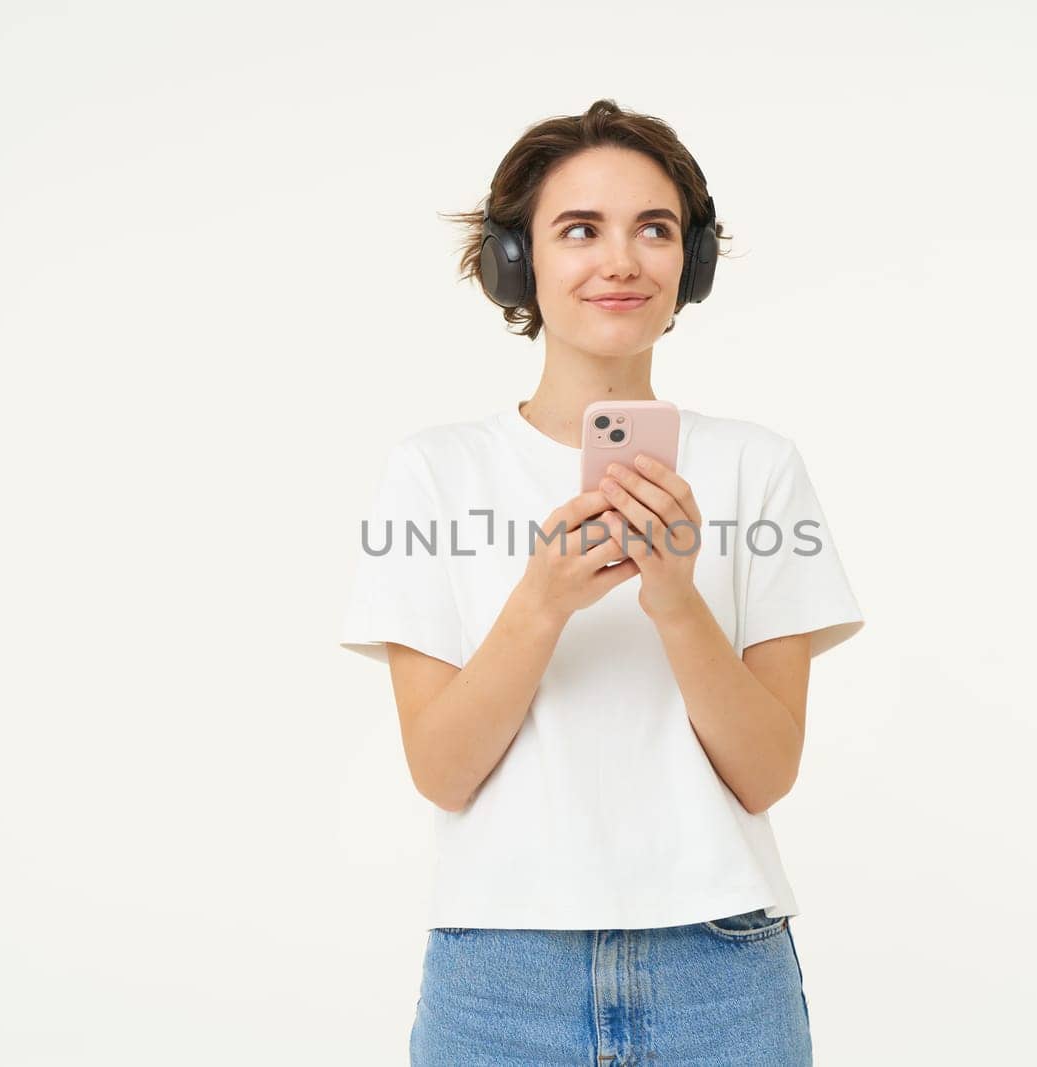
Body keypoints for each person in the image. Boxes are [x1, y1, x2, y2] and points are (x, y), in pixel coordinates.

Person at [339, 98, 865, 1066]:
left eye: (654, 229)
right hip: (499, 971)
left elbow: (764, 771)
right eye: (579, 229)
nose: (620, 260)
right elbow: (442, 771)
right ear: (516, 261)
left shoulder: (758, 465)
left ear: (690, 264)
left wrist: (674, 597)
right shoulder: (433, 471)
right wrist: (542, 600)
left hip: (722, 966)